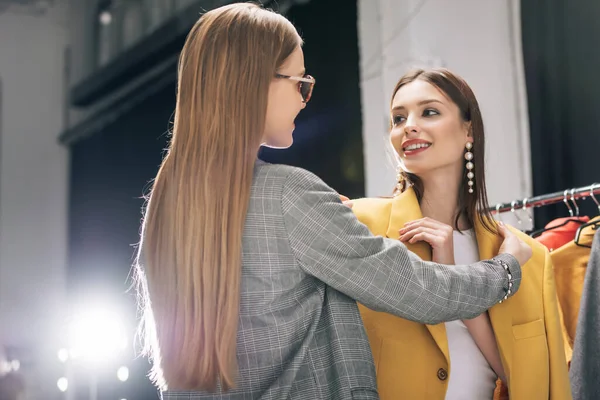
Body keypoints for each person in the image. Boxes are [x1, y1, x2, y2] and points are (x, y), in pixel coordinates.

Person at [133, 4, 532, 399]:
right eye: (299, 84)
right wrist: (507, 268)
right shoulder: (289, 194)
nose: (305, 99)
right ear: (256, 82)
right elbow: (421, 291)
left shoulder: (166, 209)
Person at [349, 68, 570, 399]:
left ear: (469, 129)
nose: (408, 125)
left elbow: (525, 379)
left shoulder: (527, 256)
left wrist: (453, 277)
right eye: (398, 118)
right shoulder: (361, 225)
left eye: (430, 112)